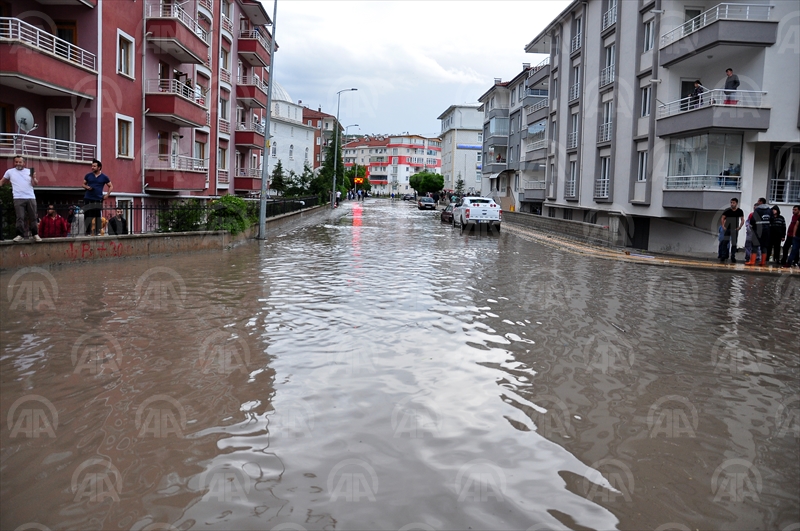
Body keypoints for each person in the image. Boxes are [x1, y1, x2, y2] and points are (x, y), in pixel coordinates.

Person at [1, 155, 41, 242]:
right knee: (20, 217)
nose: (18, 163)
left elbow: (35, 183)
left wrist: (33, 177)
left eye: (20, 162)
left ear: (24, 163)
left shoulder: (30, 171)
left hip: (30, 197)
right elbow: (2, 181)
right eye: (16, 162)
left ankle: (35, 234)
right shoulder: (9, 172)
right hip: (18, 197)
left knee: (33, 216)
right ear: (14, 162)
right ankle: (20, 235)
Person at [83, 159, 112, 236]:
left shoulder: (104, 177)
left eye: (94, 166)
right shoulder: (88, 175)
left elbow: (111, 186)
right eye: (92, 166)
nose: (92, 167)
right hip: (88, 197)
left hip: (98, 198)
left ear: (99, 167)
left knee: (97, 215)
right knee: (87, 215)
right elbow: (83, 184)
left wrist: (107, 195)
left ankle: (97, 231)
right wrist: (87, 187)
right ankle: (88, 232)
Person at [748, 197, 772, 266]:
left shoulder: (758, 210)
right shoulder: (769, 210)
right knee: (764, 246)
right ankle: (763, 262)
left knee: (755, 245)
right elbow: (772, 219)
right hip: (766, 230)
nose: (757, 202)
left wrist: (752, 226)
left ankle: (752, 261)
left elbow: (753, 220)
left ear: (761, 202)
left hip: (758, 230)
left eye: (758, 201)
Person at [720, 198, 744, 263]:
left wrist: (740, 227)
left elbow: (742, 219)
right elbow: (723, 218)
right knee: (725, 242)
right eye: (731, 203)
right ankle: (723, 255)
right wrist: (723, 226)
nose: (732, 204)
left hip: (734, 229)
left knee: (734, 243)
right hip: (727, 228)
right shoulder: (727, 210)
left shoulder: (739, 211)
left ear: (736, 203)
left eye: (733, 203)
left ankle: (733, 256)